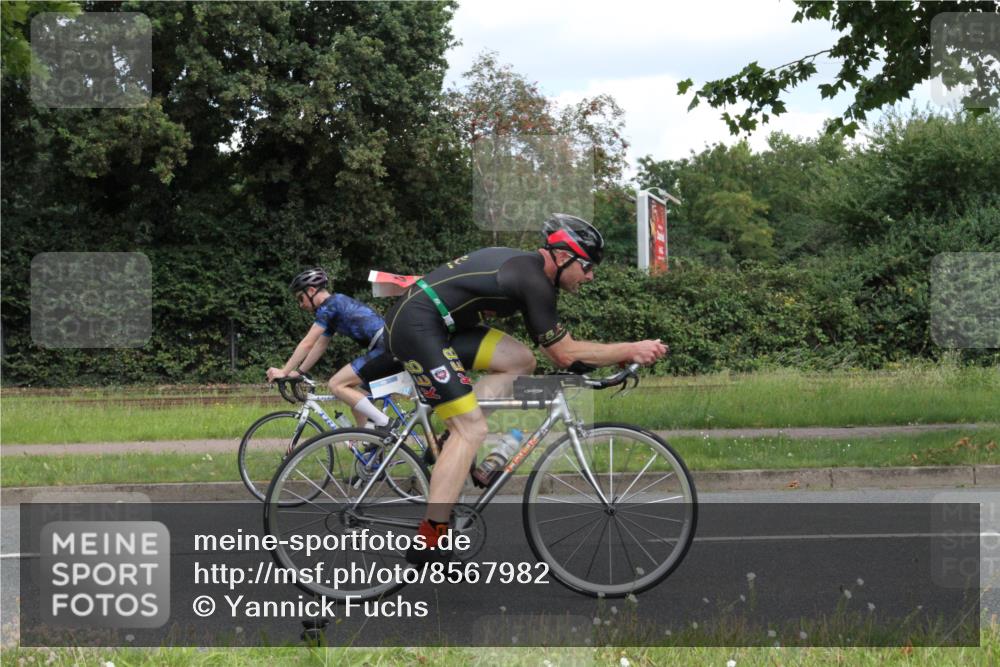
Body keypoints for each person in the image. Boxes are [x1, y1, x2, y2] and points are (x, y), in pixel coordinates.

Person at [384, 214, 668, 562]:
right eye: (588, 266)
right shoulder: (532, 280)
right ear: (564, 257)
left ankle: (449, 442)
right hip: (417, 326)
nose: (591, 276)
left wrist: (610, 359)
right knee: (471, 428)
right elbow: (565, 355)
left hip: (440, 325)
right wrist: (629, 349)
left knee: (520, 361)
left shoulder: (533, 274)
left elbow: (562, 352)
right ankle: (430, 538)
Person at [266, 267, 399, 428]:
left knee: (336, 384)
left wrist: (284, 371)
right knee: (358, 400)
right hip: (388, 346)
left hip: (385, 347)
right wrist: (299, 372)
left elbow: (308, 342)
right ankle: (371, 442)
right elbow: (319, 345)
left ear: (311, 290)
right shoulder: (333, 308)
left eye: (301, 298)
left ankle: (385, 423)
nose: (300, 305)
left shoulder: (330, 306)